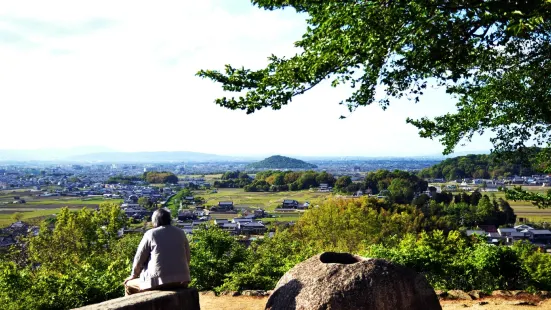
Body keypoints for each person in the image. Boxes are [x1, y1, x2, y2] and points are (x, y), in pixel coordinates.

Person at [124, 208, 191, 295]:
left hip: (157, 282)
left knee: (128, 285)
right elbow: (187, 257)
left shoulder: (151, 234)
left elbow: (139, 257)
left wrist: (134, 275)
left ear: (155, 221)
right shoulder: (181, 232)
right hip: (182, 281)